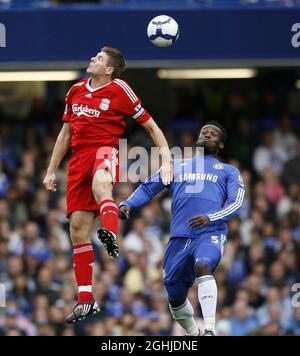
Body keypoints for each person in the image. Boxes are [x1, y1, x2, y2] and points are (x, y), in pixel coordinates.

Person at [43, 46, 172, 324]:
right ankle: (86, 299)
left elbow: (151, 126)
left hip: (105, 151)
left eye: (99, 58)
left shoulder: (120, 89)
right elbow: (65, 134)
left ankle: (111, 234)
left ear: (110, 69)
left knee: (103, 186)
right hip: (78, 160)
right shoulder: (75, 90)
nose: (92, 59)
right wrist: (52, 169)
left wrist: (167, 160)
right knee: (77, 228)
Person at [119, 121, 245, 336]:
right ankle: (192, 333)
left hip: (209, 232)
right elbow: (149, 188)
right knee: (175, 298)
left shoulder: (228, 171)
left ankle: (210, 330)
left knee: (203, 266)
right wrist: (127, 203)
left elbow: (237, 202)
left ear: (221, 145)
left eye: (213, 134)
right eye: (204, 131)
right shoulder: (176, 165)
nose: (206, 135)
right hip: (178, 237)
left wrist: (211, 218)